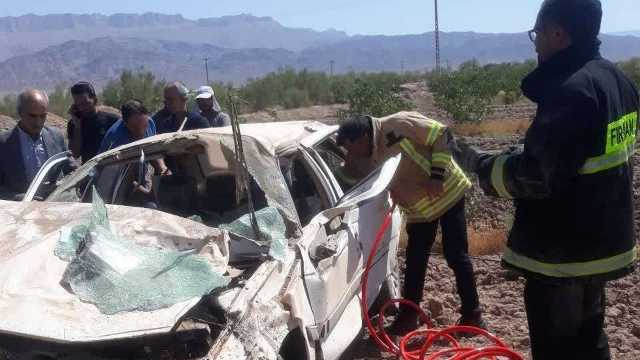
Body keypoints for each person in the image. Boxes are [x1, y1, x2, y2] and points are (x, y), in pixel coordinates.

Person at [457, 1, 638, 358]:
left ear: (557, 34)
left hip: (562, 255)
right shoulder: (618, 82)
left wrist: (482, 166)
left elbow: (536, 177)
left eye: (536, 34)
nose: (535, 43)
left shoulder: (571, 91)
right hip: (601, 247)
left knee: (557, 349)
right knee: (590, 341)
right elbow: (582, 154)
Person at [336, 112, 485, 332]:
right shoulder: (365, 155)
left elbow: (442, 135)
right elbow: (355, 179)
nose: (351, 153)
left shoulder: (399, 123)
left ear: (364, 137)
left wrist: (436, 175)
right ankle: (409, 316)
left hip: (448, 193)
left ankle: (473, 315)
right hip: (420, 210)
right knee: (415, 260)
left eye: (351, 147)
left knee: (456, 255)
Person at [0, 89, 67, 200]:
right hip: (18, 212)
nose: (38, 122)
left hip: (55, 208)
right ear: (19, 112)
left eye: (43, 116)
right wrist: (18, 198)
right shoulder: (4, 143)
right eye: (32, 116)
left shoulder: (56, 136)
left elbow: (68, 170)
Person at [99, 100, 161, 209]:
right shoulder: (116, 139)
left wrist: (162, 167)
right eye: (135, 128)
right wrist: (145, 192)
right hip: (114, 180)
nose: (141, 133)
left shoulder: (150, 123)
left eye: (144, 126)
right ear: (124, 122)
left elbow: (152, 149)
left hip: (140, 168)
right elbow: (116, 176)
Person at [66, 81, 119, 163]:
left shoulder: (112, 120)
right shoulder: (74, 124)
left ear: (95, 100)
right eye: (78, 105)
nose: (81, 108)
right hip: (88, 172)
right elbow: (75, 154)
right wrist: (77, 127)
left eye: (85, 103)